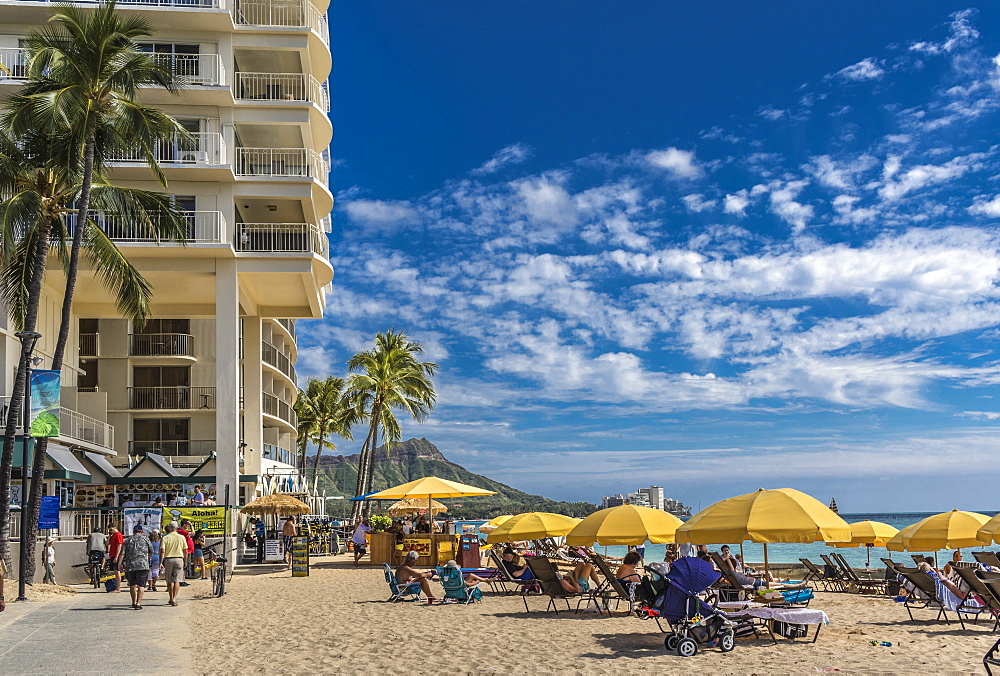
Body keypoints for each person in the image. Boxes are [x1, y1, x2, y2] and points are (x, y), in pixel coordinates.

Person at [122, 524, 153, 610]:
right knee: (141, 585)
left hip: (131, 565)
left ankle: (134, 602)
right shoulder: (145, 539)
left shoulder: (128, 540)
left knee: (132, 585)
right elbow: (151, 551)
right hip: (143, 565)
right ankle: (138, 603)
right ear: (141, 532)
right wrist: (147, 559)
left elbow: (123, 553)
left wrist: (120, 563)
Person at [161, 522, 187, 606]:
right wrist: (185, 561)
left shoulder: (165, 538)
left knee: (169, 580)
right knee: (177, 580)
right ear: (177, 528)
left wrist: (160, 562)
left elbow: (162, 551)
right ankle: (175, 598)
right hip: (179, 558)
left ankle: (171, 597)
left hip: (168, 559)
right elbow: (185, 550)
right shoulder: (181, 537)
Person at [177, 520, 195, 585]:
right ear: (184, 525)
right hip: (186, 550)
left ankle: (183, 579)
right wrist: (191, 525)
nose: (187, 526)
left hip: (188, 550)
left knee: (186, 566)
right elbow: (193, 533)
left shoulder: (183, 532)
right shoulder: (182, 531)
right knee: (184, 565)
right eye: (187, 525)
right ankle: (181, 580)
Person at [107, 525, 124, 593]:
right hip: (112, 555)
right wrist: (109, 536)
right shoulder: (113, 535)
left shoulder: (118, 535)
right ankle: (116, 587)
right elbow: (107, 543)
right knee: (115, 571)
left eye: (111, 530)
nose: (110, 531)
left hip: (116, 555)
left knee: (117, 571)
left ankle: (118, 588)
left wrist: (116, 556)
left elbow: (119, 546)